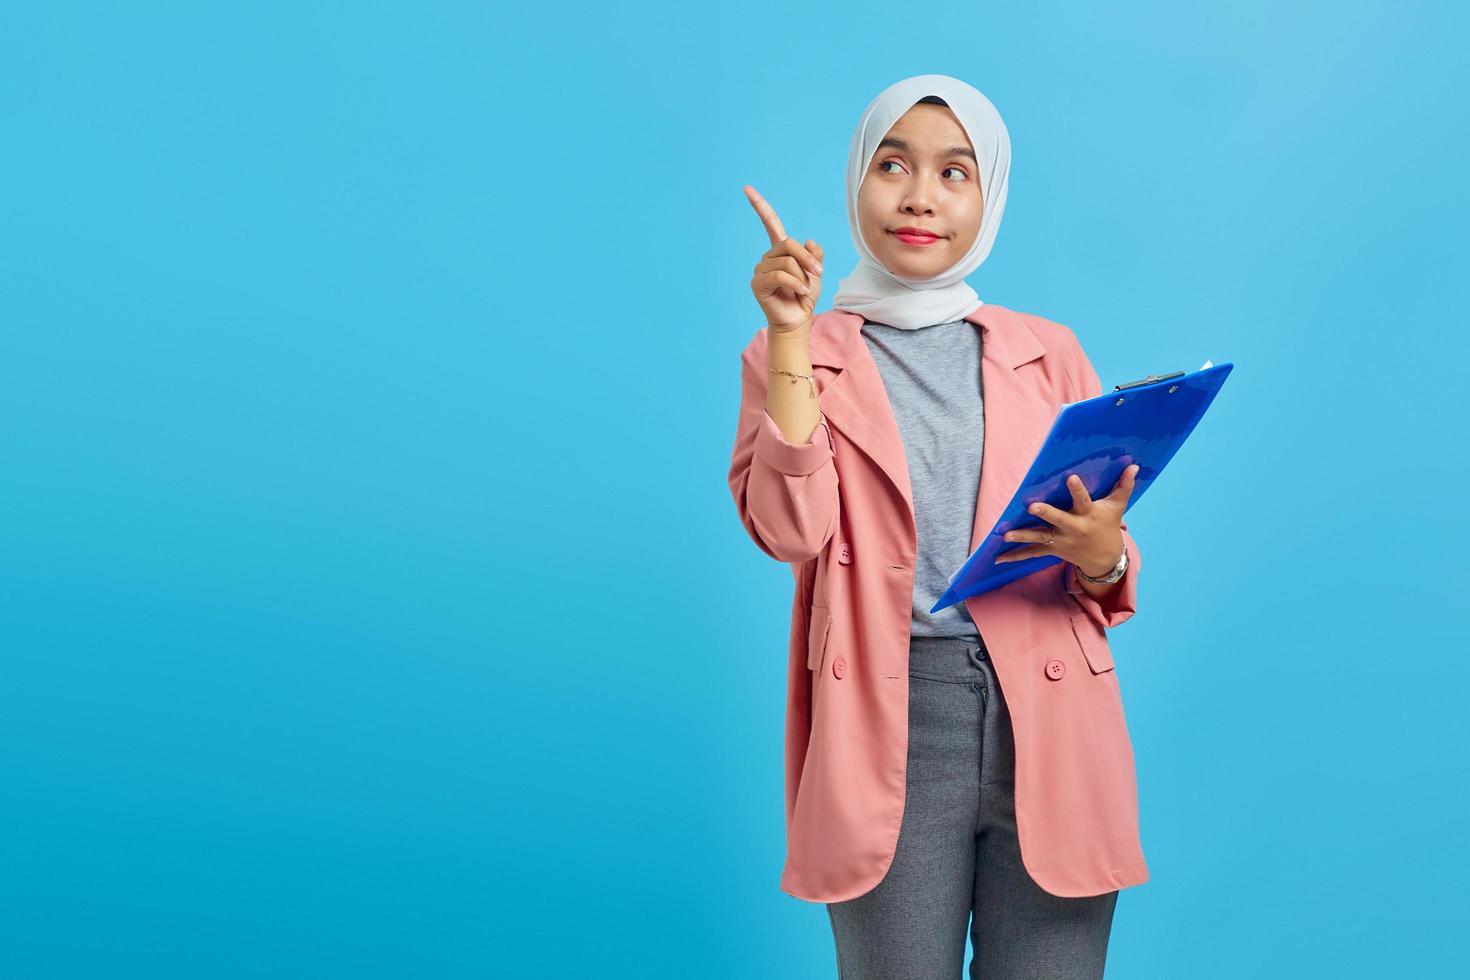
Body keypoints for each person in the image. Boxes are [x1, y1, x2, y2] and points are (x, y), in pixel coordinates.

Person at [730, 74, 1146, 980]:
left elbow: (1108, 563)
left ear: (988, 196)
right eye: (894, 165)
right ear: (856, 182)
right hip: (889, 712)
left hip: (1051, 711)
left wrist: (1103, 552)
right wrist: (793, 335)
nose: (920, 195)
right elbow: (790, 529)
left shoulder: (1051, 350)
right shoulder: (790, 353)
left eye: (955, 172)